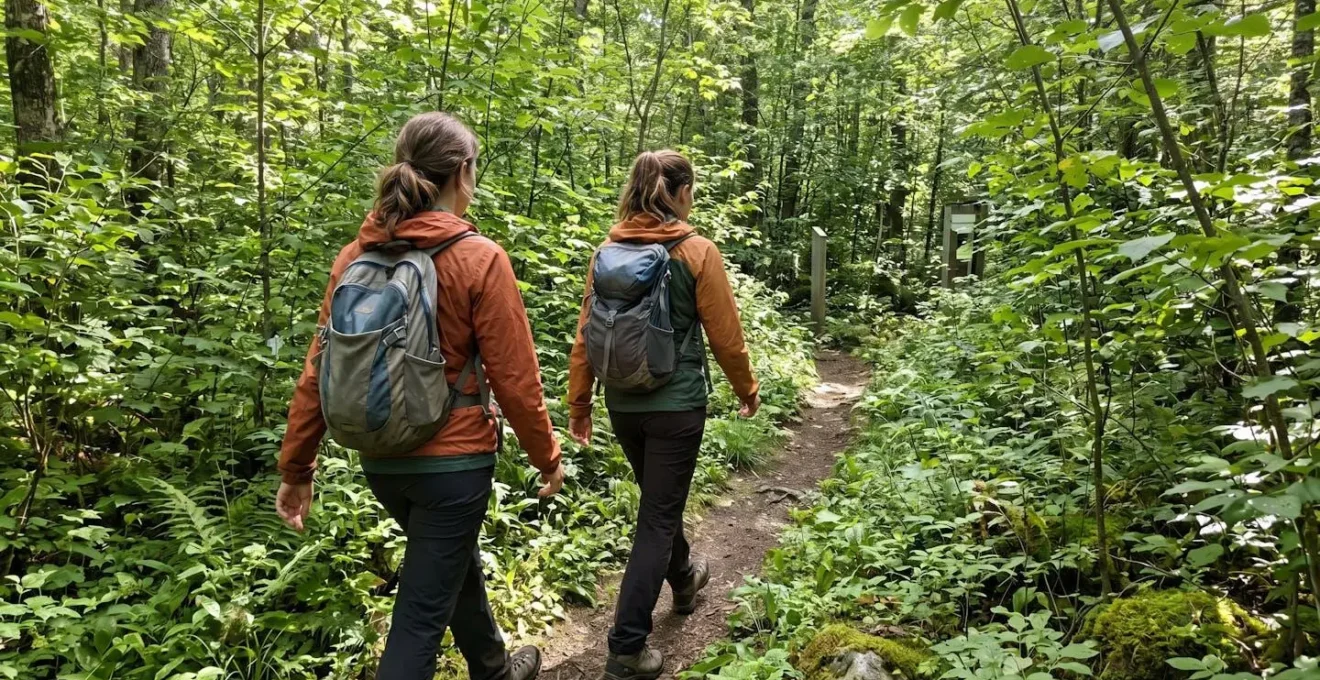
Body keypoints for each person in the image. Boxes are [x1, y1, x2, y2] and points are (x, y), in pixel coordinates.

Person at [274, 111, 564, 680]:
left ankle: (494, 668)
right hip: (453, 466)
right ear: (463, 171)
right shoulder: (480, 258)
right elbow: (516, 378)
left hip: (381, 460)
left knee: (447, 564)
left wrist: (297, 467)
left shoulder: (356, 256)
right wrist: (546, 456)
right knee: (417, 623)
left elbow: (318, 369)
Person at [567, 150, 761, 680]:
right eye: (690, 190)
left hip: (623, 402)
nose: (691, 198)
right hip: (676, 405)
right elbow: (725, 334)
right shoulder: (696, 251)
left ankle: (684, 579)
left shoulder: (607, 251)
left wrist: (579, 403)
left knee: (659, 502)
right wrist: (746, 387)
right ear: (677, 193)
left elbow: (587, 334)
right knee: (656, 515)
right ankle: (627, 647)